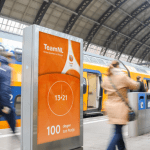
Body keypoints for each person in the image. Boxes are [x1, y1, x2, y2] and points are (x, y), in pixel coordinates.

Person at [101, 60, 140, 150]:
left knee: (118, 130)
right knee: (117, 133)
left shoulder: (107, 78)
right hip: (120, 108)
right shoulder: (122, 77)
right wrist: (138, 82)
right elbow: (135, 85)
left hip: (110, 107)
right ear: (118, 66)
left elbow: (103, 85)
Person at [0, 52, 16, 133]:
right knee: (11, 112)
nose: (12, 60)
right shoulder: (7, 68)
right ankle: (14, 131)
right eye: (11, 58)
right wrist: (6, 105)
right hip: (2, 99)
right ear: (8, 58)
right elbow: (5, 87)